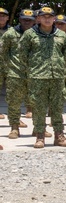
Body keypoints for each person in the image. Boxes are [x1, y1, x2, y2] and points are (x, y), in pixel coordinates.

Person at [19, 6, 66, 148]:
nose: (47, 19)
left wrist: (59, 66)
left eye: (50, 17)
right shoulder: (30, 34)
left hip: (57, 77)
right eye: (44, 17)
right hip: (38, 77)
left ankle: (59, 136)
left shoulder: (61, 35)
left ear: (54, 19)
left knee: (57, 107)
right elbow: (22, 54)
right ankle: (40, 136)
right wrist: (33, 69)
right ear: (38, 19)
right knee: (39, 108)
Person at [3, 9, 35, 138]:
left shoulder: (39, 34)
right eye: (24, 19)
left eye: (30, 20)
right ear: (19, 20)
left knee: (38, 103)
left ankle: (39, 129)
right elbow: (3, 52)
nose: (27, 22)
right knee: (14, 102)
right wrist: (9, 68)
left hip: (35, 74)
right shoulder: (10, 34)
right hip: (15, 74)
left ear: (34, 21)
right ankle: (14, 128)